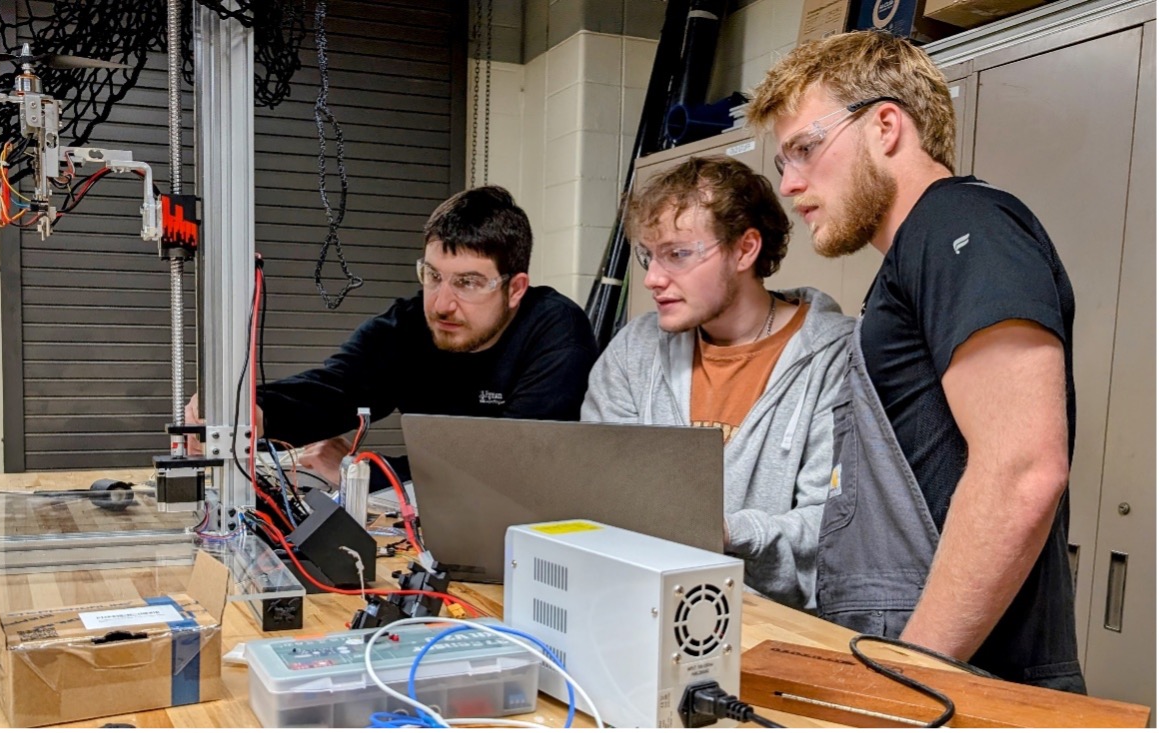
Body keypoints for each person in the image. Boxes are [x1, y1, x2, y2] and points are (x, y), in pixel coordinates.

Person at [746, 30, 1082, 690]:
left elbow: (1021, 470)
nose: (788, 183)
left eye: (805, 150)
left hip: (966, 684)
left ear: (885, 126)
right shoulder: (912, 256)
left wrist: (903, 679)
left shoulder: (963, 225)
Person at [187, 185, 599, 488]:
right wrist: (250, 410)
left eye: (469, 283)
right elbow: (337, 388)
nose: (441, 304)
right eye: (434, 276)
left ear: (516, 289)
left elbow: (512, 461)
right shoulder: (408, 328)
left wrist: (363, 470)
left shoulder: (557, 336)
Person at [582, 156, 852, 609]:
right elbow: (597, 492)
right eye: (649, 255)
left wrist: (726, 532)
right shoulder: (635, 351)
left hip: (776, 628)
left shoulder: (836, 358)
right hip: (637, 605)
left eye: (678, 254)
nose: (652, 279)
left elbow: (831, 525)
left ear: (745, 250)